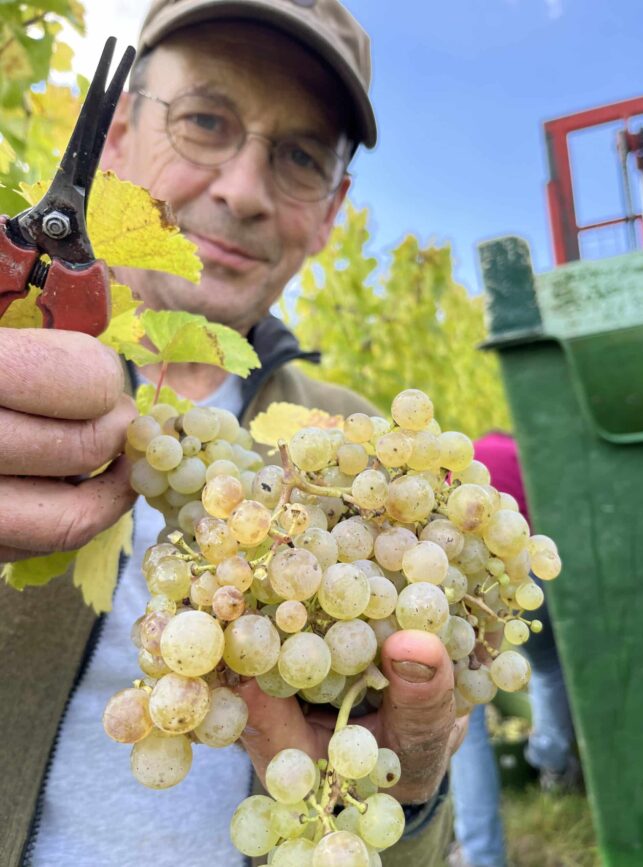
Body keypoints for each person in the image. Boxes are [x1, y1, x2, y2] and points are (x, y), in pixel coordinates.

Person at [0, 3, 465, 865]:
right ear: (114, 136)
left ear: (333, 210)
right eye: (206, 120)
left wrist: (409, 798)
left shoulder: (359, 458)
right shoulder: (10, 338)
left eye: (298, 157)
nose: (244, 190)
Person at [449, 431, 577, 867]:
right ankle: (553, 765)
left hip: (467, 579)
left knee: (467, 719)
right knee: (547, 668)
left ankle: (483, 856)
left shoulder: (464, 456)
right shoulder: (524, 454)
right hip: (528, 577)